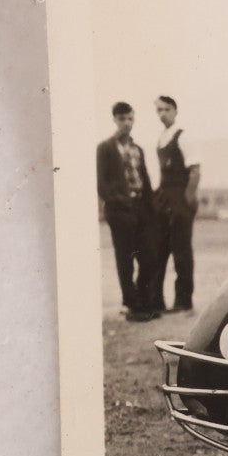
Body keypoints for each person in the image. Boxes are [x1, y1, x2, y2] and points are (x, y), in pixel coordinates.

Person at [95, 101, 159, 321]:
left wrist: (151, 208)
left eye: (130, 118)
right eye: (122, 119)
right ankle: (131, 306)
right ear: (114, 119)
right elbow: (101, 182)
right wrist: (117, 201)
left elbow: (145, 179)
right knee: (125, 259)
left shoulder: (137, 148)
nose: (126, 123)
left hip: (141, 208)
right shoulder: (105, 148)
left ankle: (142, 302)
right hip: (120, 210)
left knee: (149, 257)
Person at [149, 94, 202, 313]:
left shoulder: (183, 136)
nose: (163, 114)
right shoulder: (162, 137)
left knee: (181, 251)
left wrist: (187, 201)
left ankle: (183, 301)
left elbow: (195, 171)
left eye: (167, 109)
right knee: (159, 249)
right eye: (159, 110)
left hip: (179, 198)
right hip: (163, 198)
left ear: (175, 111)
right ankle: (157, 301)